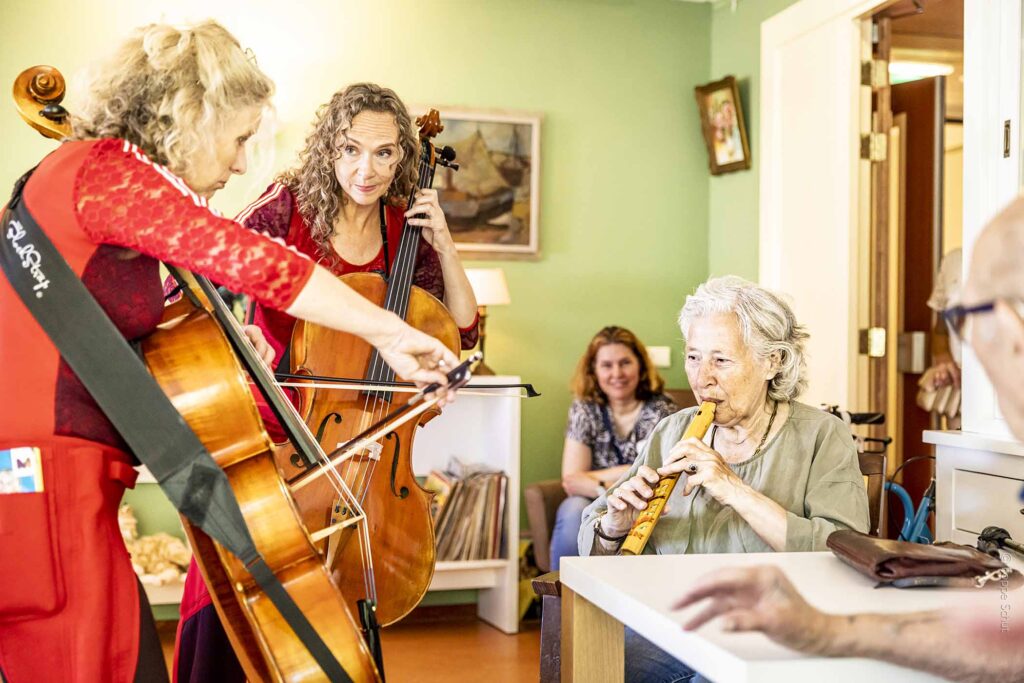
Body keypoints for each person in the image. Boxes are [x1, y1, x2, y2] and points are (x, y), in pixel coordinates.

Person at [0, 21, 457, 683]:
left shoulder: (86, 177)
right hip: (44, 485)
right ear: (194, 117)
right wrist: (391, 332)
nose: (243, 162)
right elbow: (255, 261)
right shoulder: (103, 172)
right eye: (241, 138)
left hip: (64, 479)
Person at [174, 82, 480, 682]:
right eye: (351, 150)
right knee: (232, 574)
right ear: (328, 149)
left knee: (338, 600)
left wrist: (444, 244)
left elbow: (462, 334)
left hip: (374, 445)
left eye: (384, 153)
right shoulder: (288, 207)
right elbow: (199, 274)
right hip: (277, 424)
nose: (367, 170)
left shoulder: (405, 228)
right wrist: (238, 328)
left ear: (402, 156)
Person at [673, 200, 1024, 683]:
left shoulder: (818, 434)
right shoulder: (673, 428)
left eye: (962, 316)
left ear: (1008, 329)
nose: (960, 343)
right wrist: (826, 632)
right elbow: (1009, 638)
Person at [578, 276, 869, 682]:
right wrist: (614, 528)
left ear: (772, 362)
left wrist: (733, 488)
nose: (702, 378)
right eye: (694, 357)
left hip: (775, 630)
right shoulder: (672, 430)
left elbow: (845, 552)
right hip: (675, 622)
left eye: (721, 360)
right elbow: (595, 542)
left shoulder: (821, 435)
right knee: (598, 667)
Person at [550, 326, 676, 571]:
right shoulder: (584, 409)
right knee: (573, 509)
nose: (617, 373)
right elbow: (572, 480)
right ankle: (565, 590)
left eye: (625, 363)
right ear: (594, 371)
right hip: (592, 500)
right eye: (607, 365)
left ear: (640, 366)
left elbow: (659, 473)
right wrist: (626, 474)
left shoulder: (662, 409)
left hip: (645, 500)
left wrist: (597, 481)